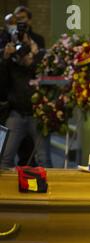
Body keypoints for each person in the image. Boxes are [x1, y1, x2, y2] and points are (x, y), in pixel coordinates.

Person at [0, 6, 51, 169]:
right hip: (16, 111)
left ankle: (48, 190)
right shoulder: (6, 40)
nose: (20, 22)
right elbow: (3, 78)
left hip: (36, 110)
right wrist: (5, 57)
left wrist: (31, 49)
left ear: (29, 20)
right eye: (16, 19)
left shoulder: (37, 41)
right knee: (5, 158)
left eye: (22, 19)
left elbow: (42, 69)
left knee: (44, 158)